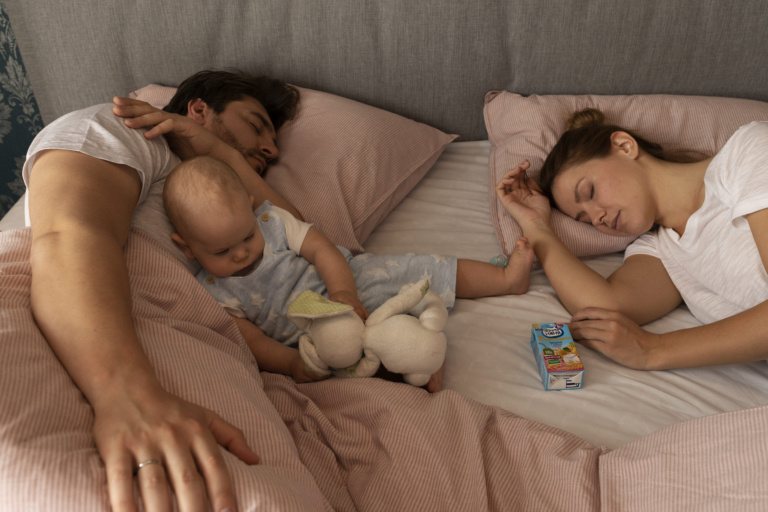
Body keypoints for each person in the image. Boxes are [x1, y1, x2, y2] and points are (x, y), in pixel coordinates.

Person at [23, 69, 302, 512]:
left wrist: (219, 153)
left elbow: (298, 241)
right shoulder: (127, 128)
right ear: (198, 110)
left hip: (207, 350)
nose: (272, 148)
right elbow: (69, 234)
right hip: (107, 349)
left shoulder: (223, 204)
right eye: (256, 124)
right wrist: (129, 399)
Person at [162, 155, 535, 390]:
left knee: (419, 271)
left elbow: (322, 250)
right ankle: (420, 365)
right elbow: (254, 343)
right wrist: (291, 364)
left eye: (246, 236)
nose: (241, 253)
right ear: (187, 248)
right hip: (315, 337)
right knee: (360, 367)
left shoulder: (271, 221)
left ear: (250, 208)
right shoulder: (215, 292)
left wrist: (343, 292)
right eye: (222, 252)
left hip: (349, 284)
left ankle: (505, 280)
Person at [496, 108, 768, 371]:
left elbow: (645, 348)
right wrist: (536, 226)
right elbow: (603, 307)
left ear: (625, 146)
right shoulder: (660, 249)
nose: (597, 218)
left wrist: (653, 350)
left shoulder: (749, 152)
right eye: (585, 220)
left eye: (590, 192)